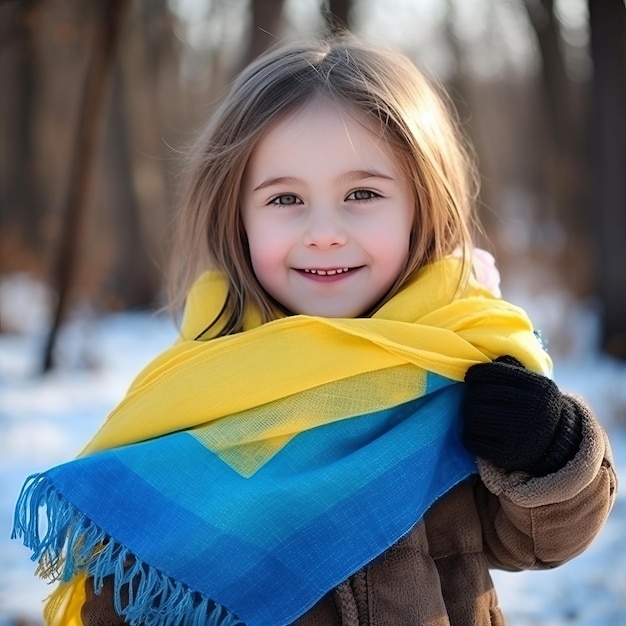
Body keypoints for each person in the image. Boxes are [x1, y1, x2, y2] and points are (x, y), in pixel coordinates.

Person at [13, 35, 616, 626]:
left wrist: (549, 453)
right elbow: (132, 575)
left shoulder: (458, 363)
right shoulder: (198, 396)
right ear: (237, 216)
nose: (324, 231)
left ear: (421, 205)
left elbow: (538, 541)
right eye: (284, 200)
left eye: (361, 193)